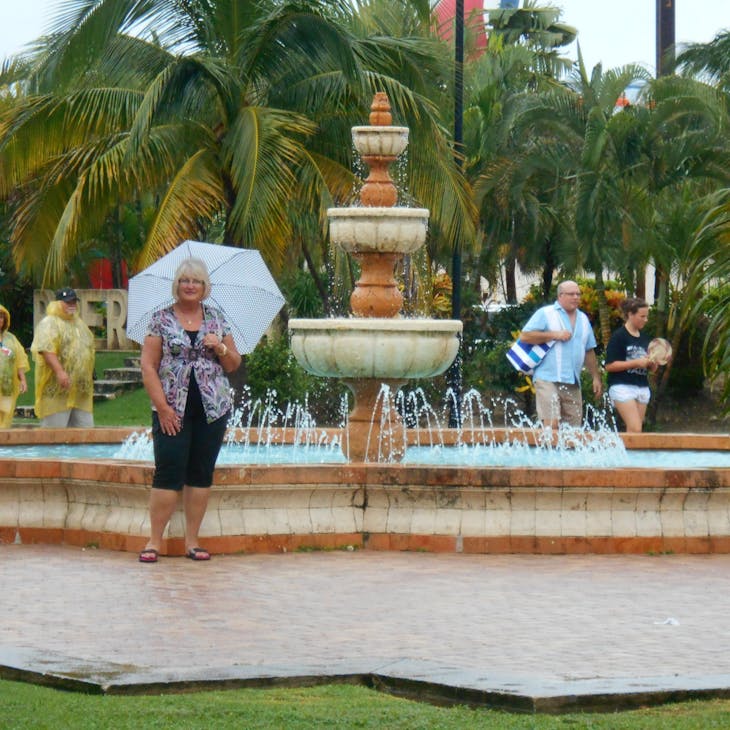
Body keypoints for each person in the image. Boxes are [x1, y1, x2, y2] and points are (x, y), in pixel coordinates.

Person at [139, 257, 241, 563]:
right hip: (172, 408)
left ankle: (192, 541)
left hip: (212, 408)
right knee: (168, 470)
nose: (190, 286)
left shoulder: (217, 318)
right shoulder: (160, 319)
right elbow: (148, 365)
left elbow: (234, 363)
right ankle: (154, 541)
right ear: (177, 285)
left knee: (200, 472)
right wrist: (163, 409)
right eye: (185, 280)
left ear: (204, 287)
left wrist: (220, 347)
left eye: (196, 281)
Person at [519, 280, 602, 429]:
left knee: (573, 428)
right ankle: (549, 452)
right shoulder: (546, 313)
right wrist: (554, 334)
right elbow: (525, 336)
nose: (576, 297)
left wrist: (595, 376)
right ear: (560, 296)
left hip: (572, 380)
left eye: (578, 294)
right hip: (547, 377)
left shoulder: (583, 318)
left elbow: (589, 350)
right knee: (552, 424)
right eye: (571, 294)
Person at [31, 288, 95, 428]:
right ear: (58, 303)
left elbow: (87, 348)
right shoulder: (50, 322)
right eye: (67, 302)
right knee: (54, 436)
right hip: (57, 391)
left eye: (73, 301)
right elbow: (46, 348)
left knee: (86, 435)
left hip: (80, 392)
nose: (71, 304)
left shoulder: (79, 324)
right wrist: (60, 371)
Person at [605, 297, 659, 433]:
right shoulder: (619, 336)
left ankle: (629, 454)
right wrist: (635, 363)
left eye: (647, 316)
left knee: (636, 431)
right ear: (630, 314)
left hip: (641, 386)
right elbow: (610, 366)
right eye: (642, 316)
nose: (646, 320)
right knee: (635, 428)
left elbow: (653, 368)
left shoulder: (645, 338)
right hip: (622, 385)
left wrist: (652, 363)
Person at [0, 304, 29, 428]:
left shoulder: (11, 339)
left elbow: (20, 359)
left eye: (1, 317)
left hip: (7, 388)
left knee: (5, 421)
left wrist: (22, 380)